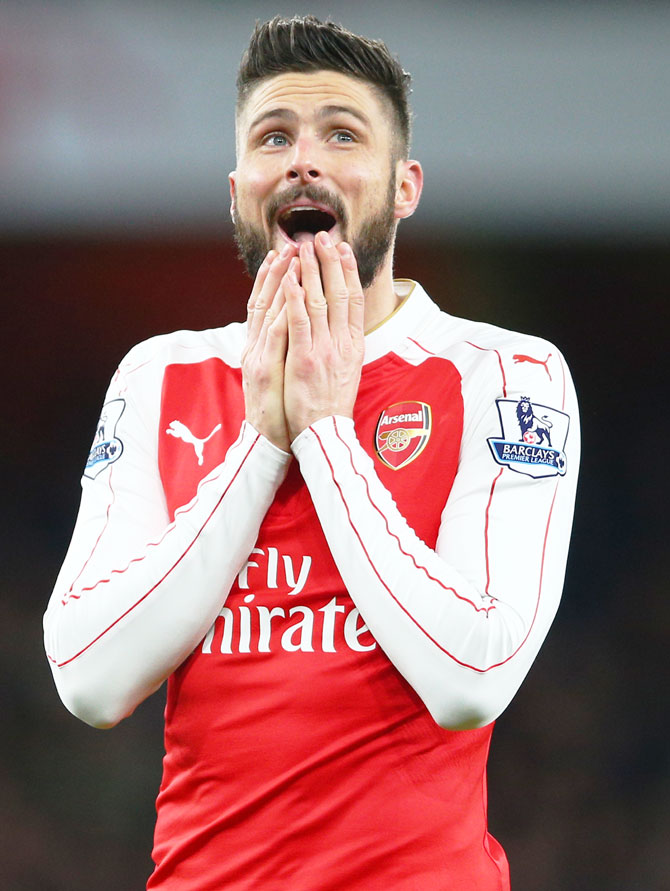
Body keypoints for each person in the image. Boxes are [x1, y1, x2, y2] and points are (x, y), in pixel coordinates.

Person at [44, 15, 579, 890]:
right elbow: (88, 678)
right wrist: (262, 442)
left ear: (404, 188)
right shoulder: (161, 374)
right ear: (237, 189)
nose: (304, 159)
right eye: (274, 137)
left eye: (342, 133)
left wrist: (326, 432)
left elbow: (473, 675)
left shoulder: (508, 373)